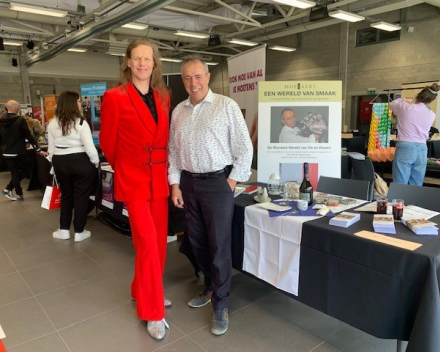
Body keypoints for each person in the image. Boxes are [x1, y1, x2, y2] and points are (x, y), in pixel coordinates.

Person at [168, 56, 253, 336]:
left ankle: (221, 303)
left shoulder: (225, 106)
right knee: (196, 241)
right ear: (183, 81)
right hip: (189, 184)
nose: (193, 83)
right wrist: (175, 184)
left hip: (218, 183)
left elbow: (245, 148)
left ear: (208, 77)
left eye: (198, 76)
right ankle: (209, 286)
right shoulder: (178, 111)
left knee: (219, 244)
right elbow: (172, 152)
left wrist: (230, 181)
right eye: (187, 78)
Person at [99, 38, 171, 340]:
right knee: (146, 243)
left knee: (158, 244)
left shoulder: (163, 97)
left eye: (148, 59)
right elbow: (108, 142)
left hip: (160, 179)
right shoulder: (115, 97)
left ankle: (140, 289)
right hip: (135, 179)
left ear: (154, 64)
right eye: (137, 58)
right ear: (128, 62)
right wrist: (127, 167)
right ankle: (153, 311)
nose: (143, 64)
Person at [47, 91, 99, 242]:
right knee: (81, 197)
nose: (79, 104)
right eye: (78, 101)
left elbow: (51, 149)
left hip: (60, 162)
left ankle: (64, 229)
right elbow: (90, 147)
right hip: (81, 162)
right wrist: (95, 162)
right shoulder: (81, 122)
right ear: (72, 103)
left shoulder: (52, 122)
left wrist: (54, 162)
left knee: (67, 196)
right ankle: (79, 231)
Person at [389, 83, 439, 185]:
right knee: (416, 185)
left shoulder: (405, 107)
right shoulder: (432, 114)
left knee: (400, 185)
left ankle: (399, 201)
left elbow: (391, 104)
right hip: (422, 149)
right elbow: (426, 109)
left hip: (405, 147)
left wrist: (404, 99)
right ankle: (414, 201)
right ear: (430, 100)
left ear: (417, 96)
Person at [0, 100, 46, 201]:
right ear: (17, 109)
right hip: (19, 152)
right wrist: (37, 149)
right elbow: (28, 136)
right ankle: (12, 190)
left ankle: (16, 193)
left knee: (14, 173)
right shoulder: (20, 120)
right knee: (25, 171)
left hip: (6, 152)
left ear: (7, 108)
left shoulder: (1, 120)